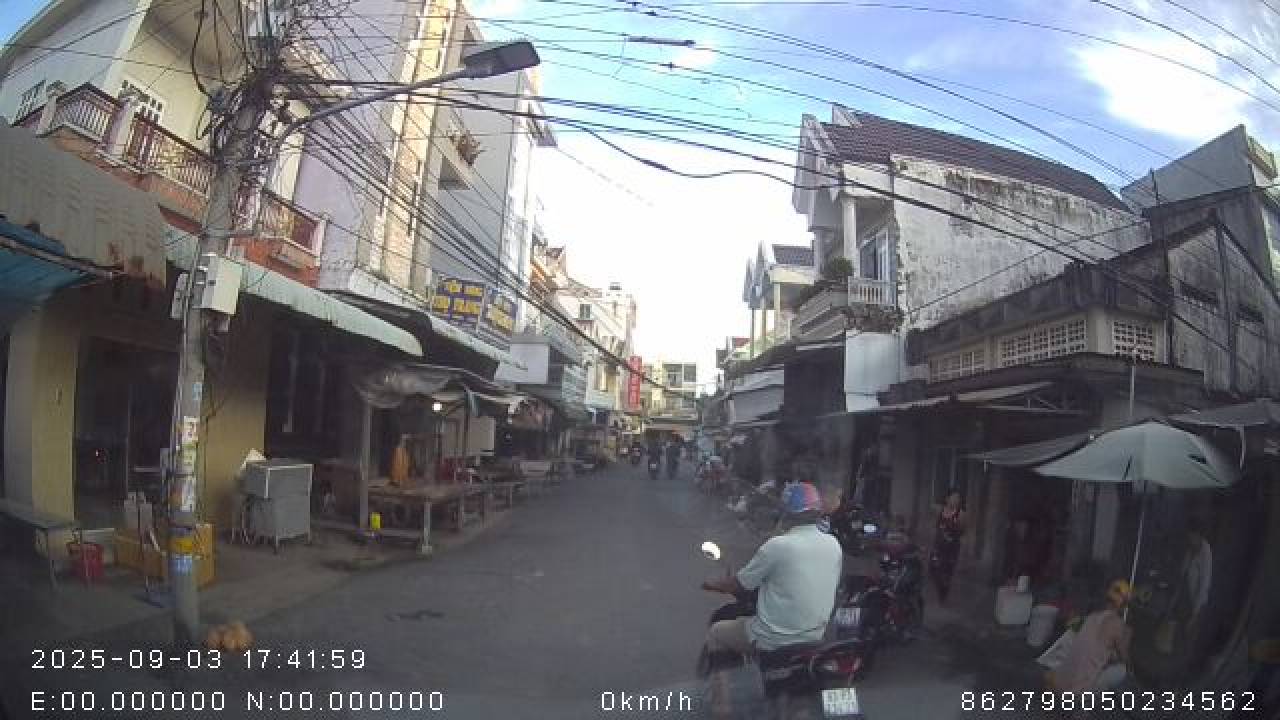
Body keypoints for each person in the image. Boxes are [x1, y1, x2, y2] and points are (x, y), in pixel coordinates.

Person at [700, 482, 844, 658]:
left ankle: (721, 677)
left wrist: (711, 584)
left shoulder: (778, 545)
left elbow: (740, 584)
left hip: (772, 639)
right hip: (814, 636)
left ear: (785, 513)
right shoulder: (833, 544)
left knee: (716, 632)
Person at [1048, 579, 1133, 692]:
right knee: (1121, 670)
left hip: (1060, 681)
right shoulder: (1118, 625)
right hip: (1076, 690)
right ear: (1124, 605)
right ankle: (1088, 696)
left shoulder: (1092, 616)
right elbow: (1124, 657)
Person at [929, 490, 966, 604]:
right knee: (933, 568)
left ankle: (943, 593)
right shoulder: (940, 510)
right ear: (947, 498)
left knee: (947, 572)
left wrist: (953, 532)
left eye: (958, 498)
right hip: (938, 545)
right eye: (954, 497)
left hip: (951, 548)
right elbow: (935, 526)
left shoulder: (960, 514)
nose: (956, 500)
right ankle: (941, 586)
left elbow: (962, 531)